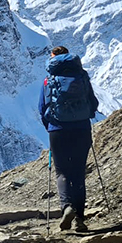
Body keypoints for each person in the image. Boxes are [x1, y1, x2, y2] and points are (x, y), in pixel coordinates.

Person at [37, 45, 99, 231]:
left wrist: (51, 127)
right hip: (81, 130)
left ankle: (67, 207)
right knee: (78, 173)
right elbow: (93, 103)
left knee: (62, 172)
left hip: (58, 131)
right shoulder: (82, 77)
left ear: (53, 58)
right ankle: (80, 218)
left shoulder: (49, 80)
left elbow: (42, 108)